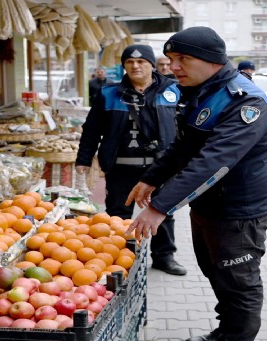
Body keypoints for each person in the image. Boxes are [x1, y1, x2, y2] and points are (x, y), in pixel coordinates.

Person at [125, 26, 267, 341]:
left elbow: (213, 162)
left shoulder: (245, 102)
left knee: (239, 282)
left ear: (211, 61)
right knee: (216, 273)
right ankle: (225, 332)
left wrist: (160, 207)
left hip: (240, 213)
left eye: (182, 59)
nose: (172, 66)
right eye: (171, 58)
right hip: (209, 208)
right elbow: (183, 148)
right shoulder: (201, 91)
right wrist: (152, 176)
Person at [76, 44, 186, 276]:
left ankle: (164, 257)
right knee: (117, 215)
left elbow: (187, 128)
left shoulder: (173, 90)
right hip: (121, 167)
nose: (135, 66)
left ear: (151, 65)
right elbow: (91, 130)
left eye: (141, 62)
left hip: (160, 167)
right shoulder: (108, 93)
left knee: (163, 212)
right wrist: (83, 159)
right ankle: (117, 257)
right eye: (130, 62)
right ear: (124, 66)